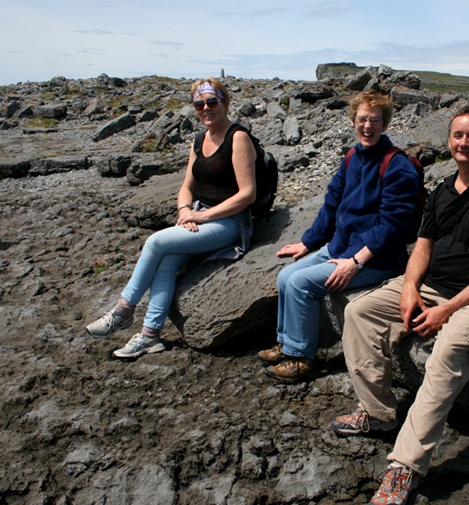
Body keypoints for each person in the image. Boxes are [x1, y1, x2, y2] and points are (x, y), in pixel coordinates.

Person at [330, 104, 469, 505]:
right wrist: (408, 289)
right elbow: (422, 247)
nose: (464, 143)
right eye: (458, 135)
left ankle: (405, 465)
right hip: (430, 285)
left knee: (446, 354)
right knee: (360, 311)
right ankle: (378, 413)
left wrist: (447, 311)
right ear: (449, 140)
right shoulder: (442, 188)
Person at [85, 77, 257, 358]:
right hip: (200, 215)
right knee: (166, 262)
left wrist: (202, 216)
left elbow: (247, 194)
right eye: (199, 104)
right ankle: (150, 335)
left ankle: (123, 310)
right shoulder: (199, 139)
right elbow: (186, 186)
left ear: (225, 102)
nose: (206, 108)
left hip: (229, 223)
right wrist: (184, 211)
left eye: (212, 101)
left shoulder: (238, 137)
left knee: (155, 243)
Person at [258, 90, 421, 383]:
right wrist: (308, 242)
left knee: (300, 284)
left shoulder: (397, 166)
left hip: (375, 260)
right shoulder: (352, 157)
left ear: (385, 124)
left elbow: (393, 226)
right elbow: (332, 203)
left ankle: (300, 357)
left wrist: (355, 263)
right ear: (353, 121)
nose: (367, 126)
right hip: (340, 247)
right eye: (362, 119)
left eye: (375, 120)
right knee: (285, 276)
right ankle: (286, 342)